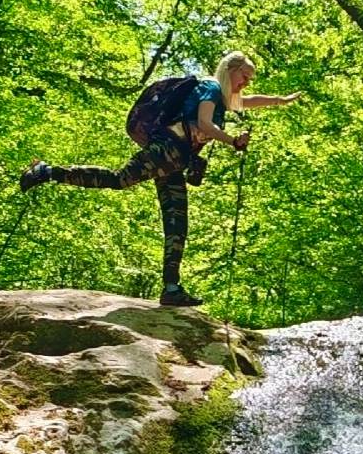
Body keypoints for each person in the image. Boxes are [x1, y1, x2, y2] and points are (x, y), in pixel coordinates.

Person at [18, 51, 300, 307]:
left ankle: (171, 288)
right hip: (166, 150)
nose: (246, 84)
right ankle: (47, 171)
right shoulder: (211, 88)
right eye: (244, 77)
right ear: (230, 70)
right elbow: (203, 123)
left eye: (250, 80)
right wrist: (232, 140)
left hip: (176, 162)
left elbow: (248, 102)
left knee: (177, 222)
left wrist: (280, 100)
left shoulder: (223, 98)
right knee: (120, 179)